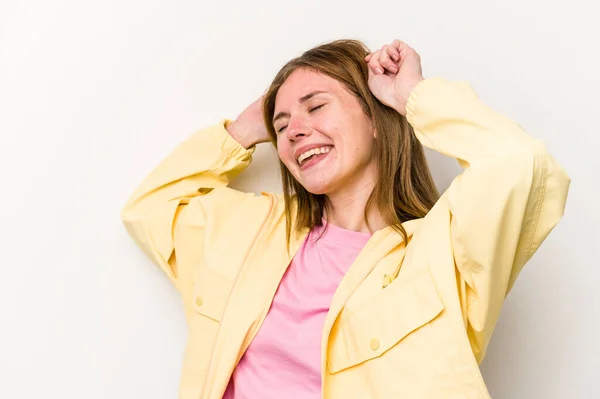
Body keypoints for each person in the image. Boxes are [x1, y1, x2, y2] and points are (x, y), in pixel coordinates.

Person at [121, 39, 570, 399]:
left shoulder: (443, 251)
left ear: (377, 119)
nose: (294, 129)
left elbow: (519, 163)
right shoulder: (250, 230)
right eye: (280, 125)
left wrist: (410, 96)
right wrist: (242, 131)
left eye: (316, 107)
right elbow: (150, 208)